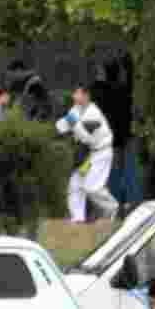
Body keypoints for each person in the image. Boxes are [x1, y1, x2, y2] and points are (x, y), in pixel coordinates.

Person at [55, 84, 119, 224]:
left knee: (92, 187)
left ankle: (112, 208)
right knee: (75, 184)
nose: (73, 96)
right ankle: (78, 218)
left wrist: (73, 123)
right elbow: (61, 126)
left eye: (77, 94)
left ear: (86, 96)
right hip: (90, 155)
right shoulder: (76, 110)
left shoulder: (93, 113)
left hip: (102, 153)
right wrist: (65, 122)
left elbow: (86, 137)